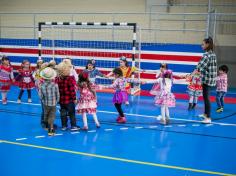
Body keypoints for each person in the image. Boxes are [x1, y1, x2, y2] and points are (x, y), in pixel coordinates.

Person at [196, 37, 217, 123]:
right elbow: (205, 67)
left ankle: (208, 118)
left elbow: (199, 67)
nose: (202, 45)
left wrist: (190, 75)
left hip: (207, 80)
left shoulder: (206, 55)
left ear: (207, 45)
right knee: (205, 97)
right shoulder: (213, 54)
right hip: (210, 79)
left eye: (203, 44)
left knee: (207, 98)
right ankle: (205, 114)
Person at [56, 61, 79, 131]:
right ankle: (73, 125)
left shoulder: (57, 79)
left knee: (63, 113)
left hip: (61, 99)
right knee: (72, 113)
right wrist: (75, 99)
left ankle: (64, 126)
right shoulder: (70, 78)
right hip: (69, 100)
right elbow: (72, 90)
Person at [39, 67, 59, 136]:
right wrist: (57, 101)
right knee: (52, 116)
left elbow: (40, 96)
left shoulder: (41, 86)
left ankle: (46, 125)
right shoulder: (55, 85)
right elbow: (57, 94)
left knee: (46, 114)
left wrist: (43, 100)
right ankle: (51, 129)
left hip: (45, 104)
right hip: (53, 103)